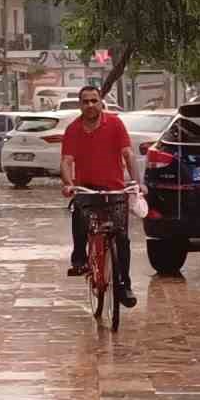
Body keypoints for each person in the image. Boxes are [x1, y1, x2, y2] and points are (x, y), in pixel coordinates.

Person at [61, 85, 146, 308]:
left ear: (101, 102)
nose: (90, 105)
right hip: (87, 190)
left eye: (94, 100)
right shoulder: (73, 129)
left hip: (115, 191)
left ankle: (124, 286)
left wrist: (138, 183)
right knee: (78, 214)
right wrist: (69, 184)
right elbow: (67, 161)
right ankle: (79, 257)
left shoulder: (115, 124)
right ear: (80, 105)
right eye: (85, 101)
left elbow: (128, 154)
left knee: (122, 239)